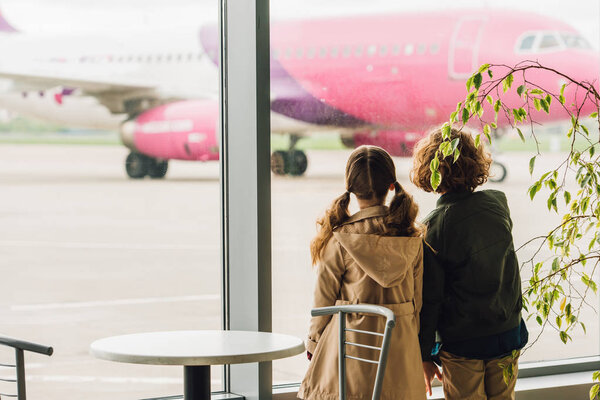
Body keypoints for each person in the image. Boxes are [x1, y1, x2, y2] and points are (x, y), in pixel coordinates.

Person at [298, 145, 426, 400]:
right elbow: (417, 302)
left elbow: (323, 302)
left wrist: (313, 344)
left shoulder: (340, 239)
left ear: (350, 186)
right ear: (392, 185)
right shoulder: (412, 238)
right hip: (399, 356)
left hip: (349, 356)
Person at [410, 127, 528, 399]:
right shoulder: (499, 204)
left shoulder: (433, 228)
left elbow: (431, 298)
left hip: (463, 342)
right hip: (507, 331)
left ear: (430, 172)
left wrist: (424, 355)